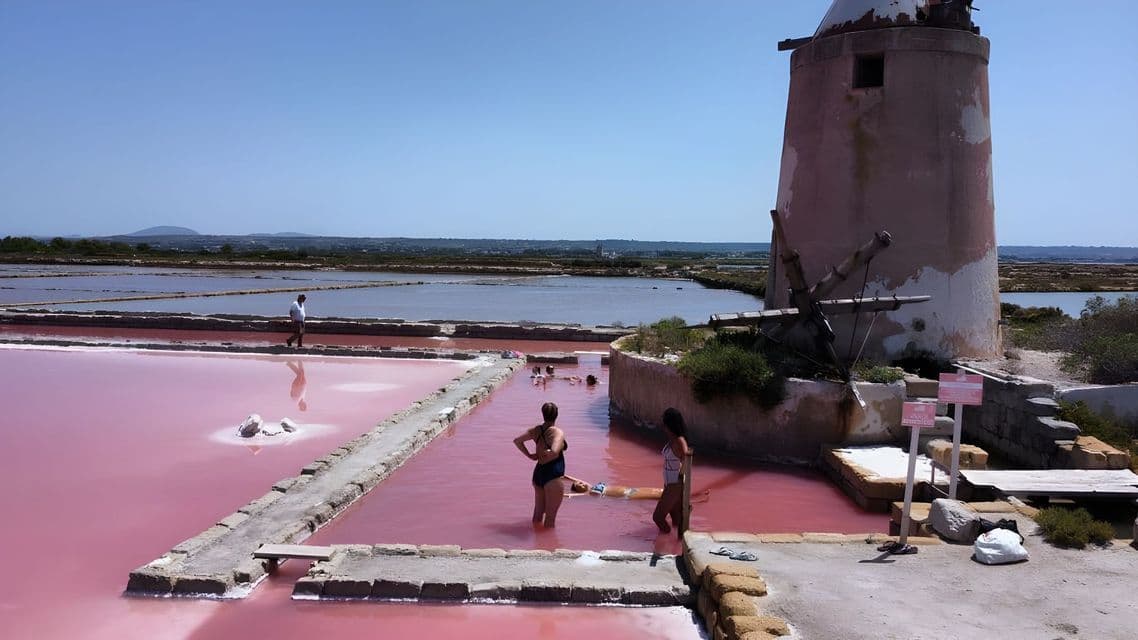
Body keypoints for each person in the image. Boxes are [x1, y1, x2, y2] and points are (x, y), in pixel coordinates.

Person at [513, 402, 567, 528]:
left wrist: (530, 455)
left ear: (543, 414)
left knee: (537, 515)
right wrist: (548, 453)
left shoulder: (536, 430)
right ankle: (548, 546)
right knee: (550, 518)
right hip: (553, 474)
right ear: (556, 415)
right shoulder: (557, 432)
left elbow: (517, 441)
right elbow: (554, 451)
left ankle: (535, 545)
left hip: (538, 473)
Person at [653, 407, 691, 536]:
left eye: (664, 423)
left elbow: (687, 456)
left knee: (657, 517)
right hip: (669, 483)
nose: (663, 426)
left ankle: (664, 542)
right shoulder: (672, 439)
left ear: (669, 424)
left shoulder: (679, 440)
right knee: (676, 521)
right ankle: (677, 547)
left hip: (674, 484)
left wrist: (681, 477)